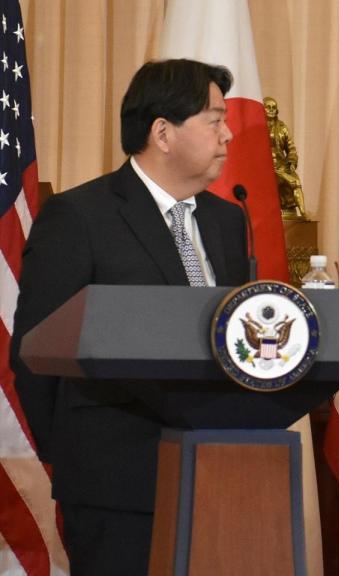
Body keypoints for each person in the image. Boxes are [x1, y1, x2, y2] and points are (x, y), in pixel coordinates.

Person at [10, 59, 249, 575]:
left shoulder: (228, 221)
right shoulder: (80, 217)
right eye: (213, 119)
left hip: (221, 475)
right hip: (114, 485)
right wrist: (76, 455)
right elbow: (35, 352)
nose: (228, 134)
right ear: (163, 132)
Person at [264, 95, 306, 219]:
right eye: (268, 107)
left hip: (282, 166)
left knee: (295, 182)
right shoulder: (258, 127)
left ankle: (303, 214)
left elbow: (291, 149)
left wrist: (291, 163)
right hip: (264, 167)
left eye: (274, 108)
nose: (271, 110)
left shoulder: (282, 128)